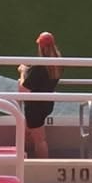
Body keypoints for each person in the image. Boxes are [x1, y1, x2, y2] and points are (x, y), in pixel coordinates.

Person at [19, 31, 61, 159]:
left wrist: (22, 72)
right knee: (26, 132)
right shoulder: (58, 63)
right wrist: (28, 71)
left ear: (40, 47)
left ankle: (43, 166)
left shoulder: (39, 66)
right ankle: (24, 157)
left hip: (34, 107)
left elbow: (23, 89)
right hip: (46, 104)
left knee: (40, 140)